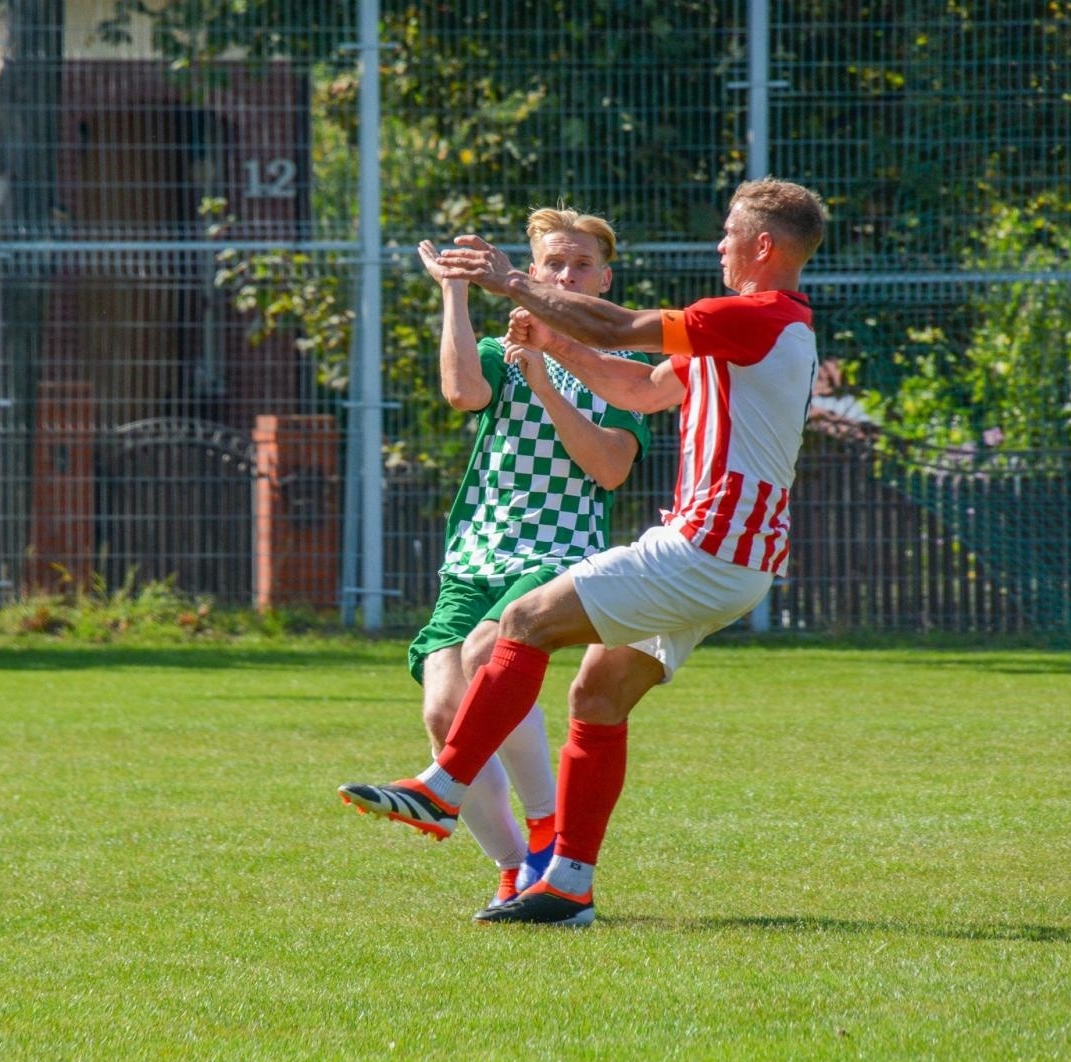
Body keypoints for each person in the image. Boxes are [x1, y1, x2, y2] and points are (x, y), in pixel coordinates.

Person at [339, 178, 828, 927]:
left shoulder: (753, 315)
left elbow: (616, 330)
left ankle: (442, 787)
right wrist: (553, 343)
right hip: (738, 561)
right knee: (594, 697)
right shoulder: (754, 330)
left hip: (704, 547)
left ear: (764, 247)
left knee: (525, 623)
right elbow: (637, 388)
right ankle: (566, 884)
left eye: (729, 233)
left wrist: (512, 283)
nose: (719, 245)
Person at [340, 207, 652, 913]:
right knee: (446, 714)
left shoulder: (620, 367)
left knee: (491, 652)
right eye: (553, 265)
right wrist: (453, 290)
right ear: (531, 275)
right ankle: (518, 865)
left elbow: (609, 470)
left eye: (580, 266)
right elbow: (461, 394)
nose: (565, 275)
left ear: (604, 278)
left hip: (559, 548)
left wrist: (544, 381)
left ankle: (546, 827)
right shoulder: (498, 350)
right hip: (477, 551)